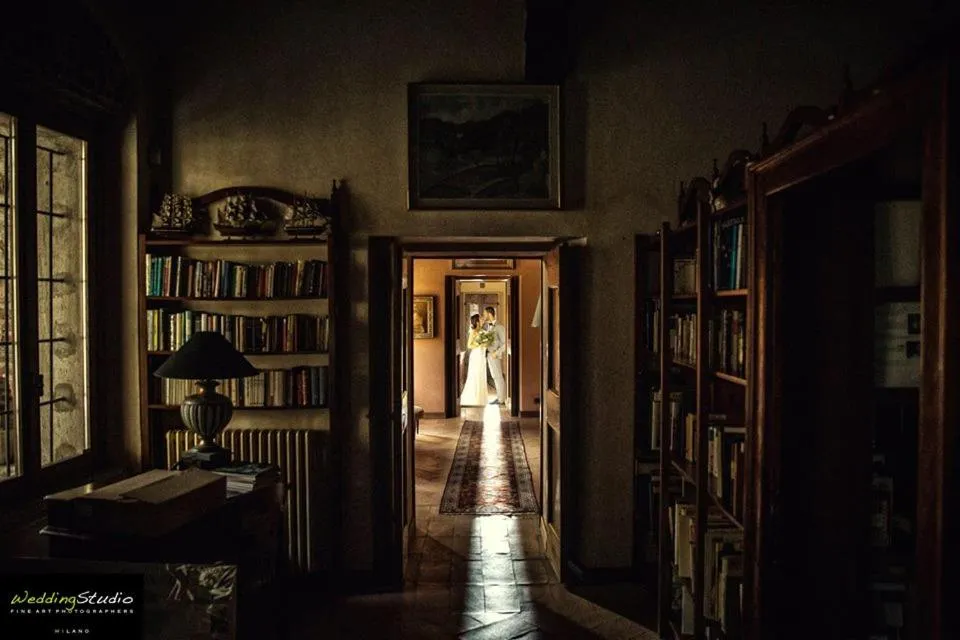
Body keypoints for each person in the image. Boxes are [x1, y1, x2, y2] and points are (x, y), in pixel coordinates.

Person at [459, 314, 489, 406]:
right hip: (476, 355)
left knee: (481, 375)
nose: (482, 319)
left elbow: (486, 343)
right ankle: (473, 398)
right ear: (477, 321)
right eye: (480, 318)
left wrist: (485, 344)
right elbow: (469, 345)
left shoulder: (483, 331)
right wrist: (479, 344)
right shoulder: (473, 331)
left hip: (482, 355)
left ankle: (481, 399)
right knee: (475, 375)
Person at [482, 306, 507, 405]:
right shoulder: (488, 327)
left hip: (494, 356)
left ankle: (501, 399)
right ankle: (500, 397)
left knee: (498, 376)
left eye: (484, 314)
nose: (483, 316)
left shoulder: (500, 327)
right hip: (488, 355)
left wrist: (496, 353)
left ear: (489, 314)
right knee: (495, 376)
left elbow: (505, 344)